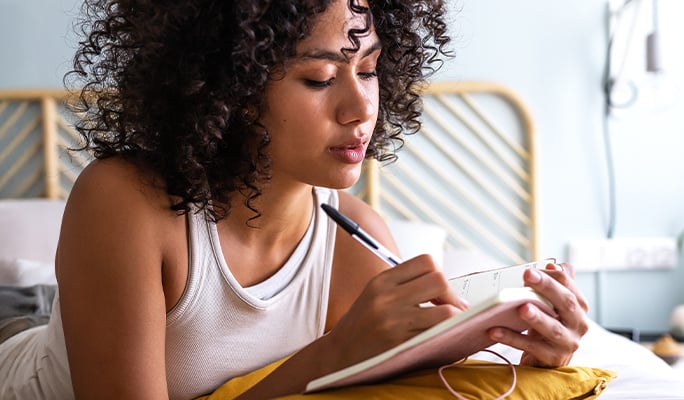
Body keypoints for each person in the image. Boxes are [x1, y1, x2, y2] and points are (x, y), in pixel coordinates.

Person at [0, 0, 590, 399]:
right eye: (319, 78)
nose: (361, 109)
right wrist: (338, 351)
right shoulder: (125, 202)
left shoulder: (359, 243)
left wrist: (528, 352)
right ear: (227, 84)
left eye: (370, 69)